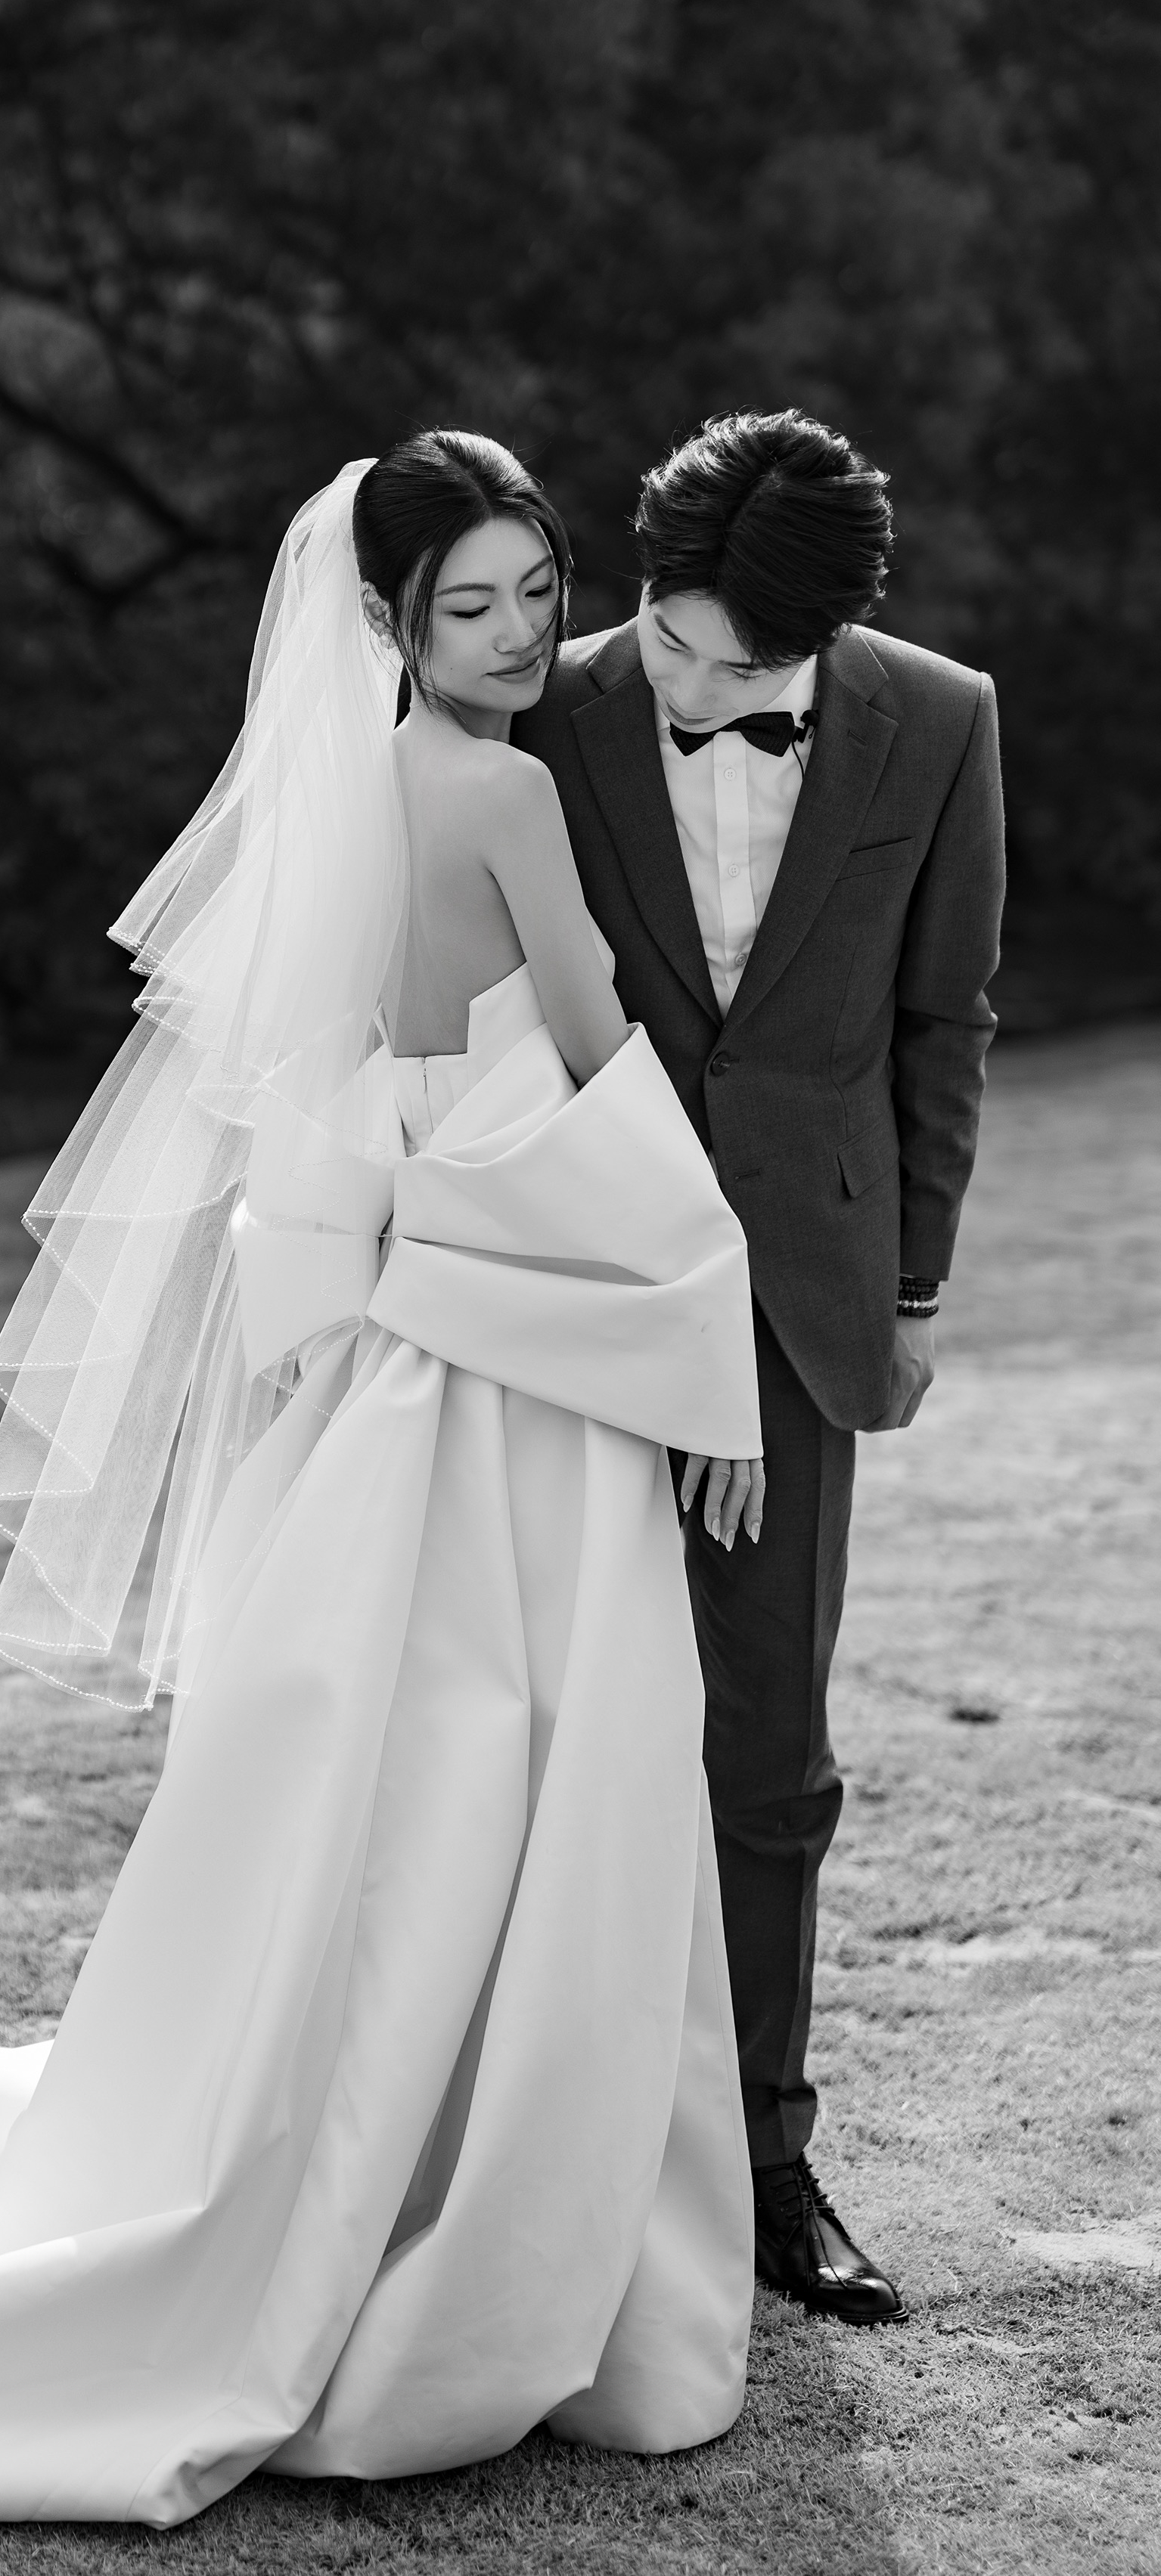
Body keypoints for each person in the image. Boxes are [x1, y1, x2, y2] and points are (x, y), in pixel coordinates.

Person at [0, 439, 765, 2523]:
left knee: (394, 1786)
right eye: (472, 605)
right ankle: (485, 2226)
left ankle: (361, 2153)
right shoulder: (509, 797)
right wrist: (703, 1323)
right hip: (524, 1348)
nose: (521, 635)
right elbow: (599, 1057)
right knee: (543, 1765)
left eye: (540, 591)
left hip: (392, 1355)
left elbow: (346, 1103)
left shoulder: (344, 814)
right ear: (392, 624)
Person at [513, 409, 1005, 2326]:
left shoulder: (938, 721)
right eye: (668, 638)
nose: (685, 686)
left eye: (737, 670)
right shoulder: (544, 707)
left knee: (769, 1745)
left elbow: (943, 1018)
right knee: (537, 1721)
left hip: (803, 1303)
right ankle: (529, 2151)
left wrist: (913, 1286)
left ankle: (768, 2159)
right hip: (568, 1281)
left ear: (822, 644)